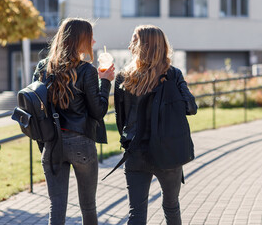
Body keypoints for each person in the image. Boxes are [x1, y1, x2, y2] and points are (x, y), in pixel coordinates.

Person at [32, 17, 115, 225]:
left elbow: (37, 107)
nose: (94, 42)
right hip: (81, 144)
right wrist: (105, 82)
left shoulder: (44, 67)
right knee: (88, 207)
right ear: (80, 40)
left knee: (56, 207)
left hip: (52, 144)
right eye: (90, 37)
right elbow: (98, 111)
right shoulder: (87, 70)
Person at [114, 25, 197, 224]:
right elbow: (191, 107)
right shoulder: (173, 74)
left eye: (134, 40)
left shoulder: (125, 77)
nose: (129, 45)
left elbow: (121, 119)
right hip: (168, 153)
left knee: (136, 213)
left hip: (136, 152)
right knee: (171, 207)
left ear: (144, 45)